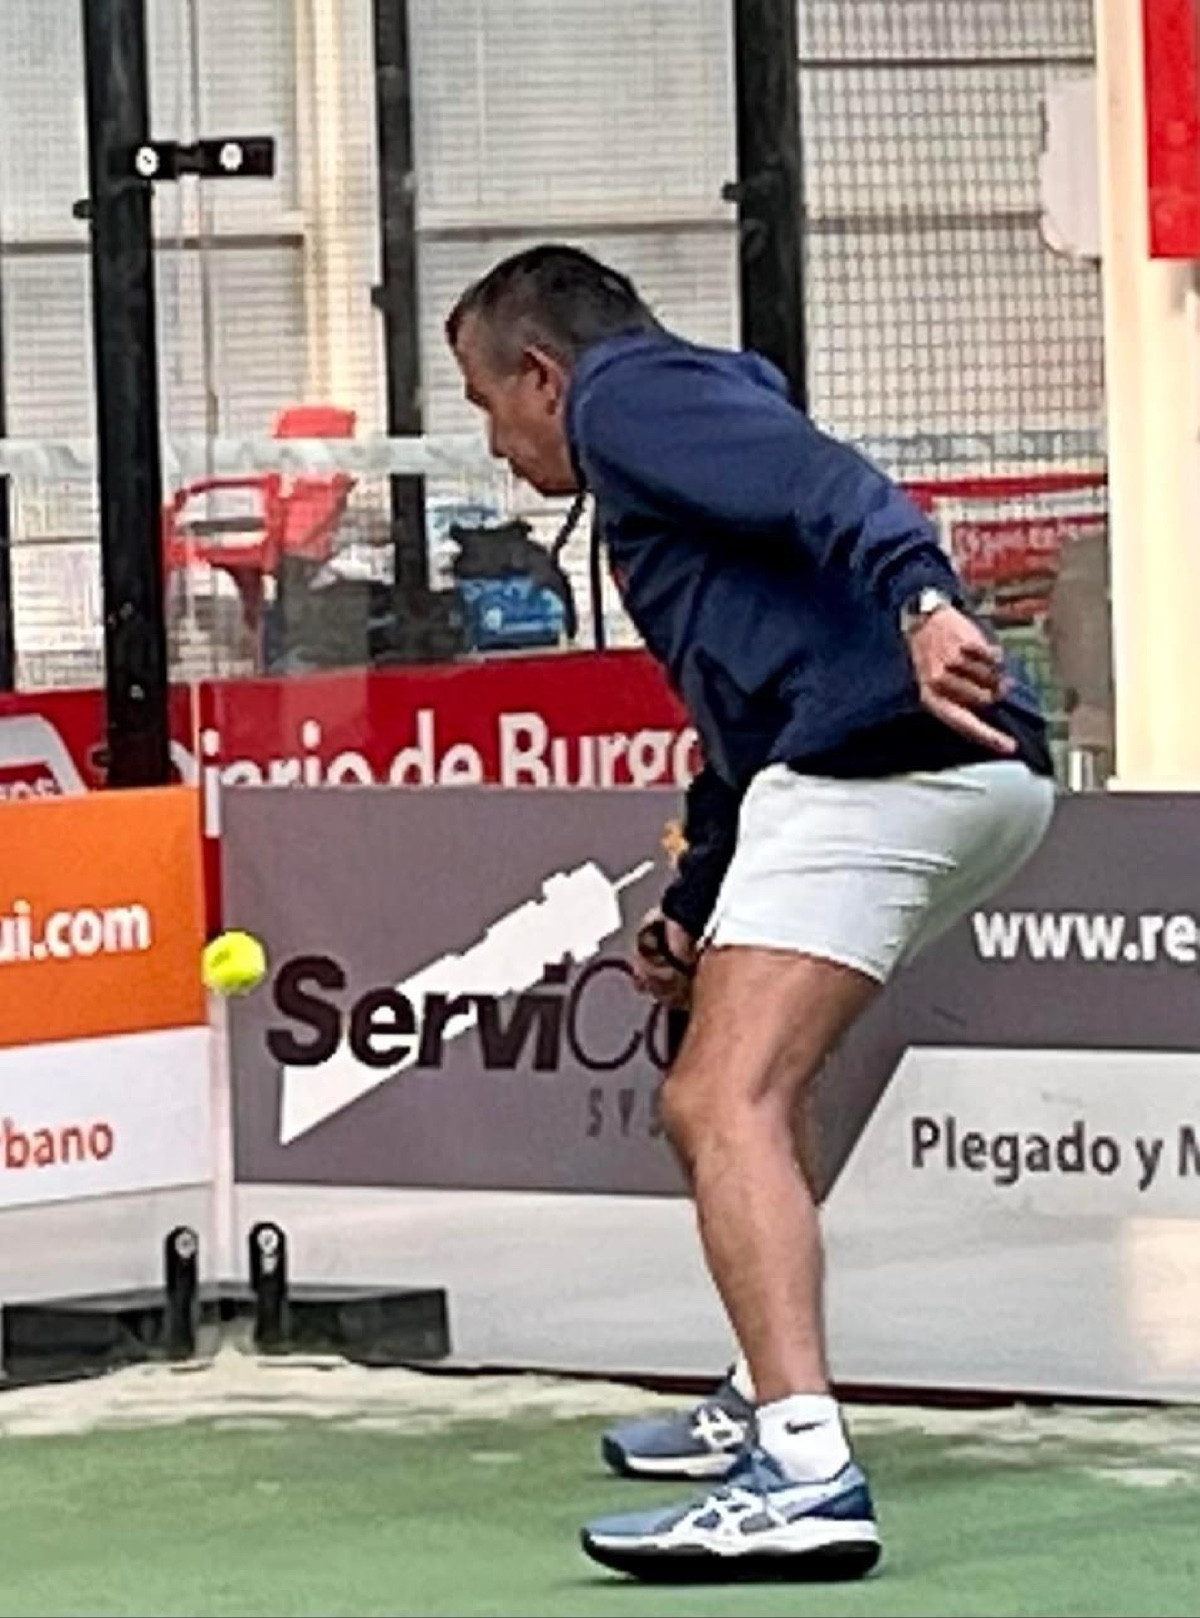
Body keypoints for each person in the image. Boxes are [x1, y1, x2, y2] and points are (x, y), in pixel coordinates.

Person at [447, 244, 1056, 1582]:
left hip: (893, 765)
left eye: (487, 405)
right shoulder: (672, 446)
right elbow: (743, 726)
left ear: (541, 376)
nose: (494, 444)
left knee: (718, 1098)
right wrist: (693, 904)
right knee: (750, 1080)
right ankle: (761, 1392)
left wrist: (924, 600)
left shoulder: (625, 398)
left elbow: (834, 485)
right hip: (945, 775)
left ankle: (804, 1471)